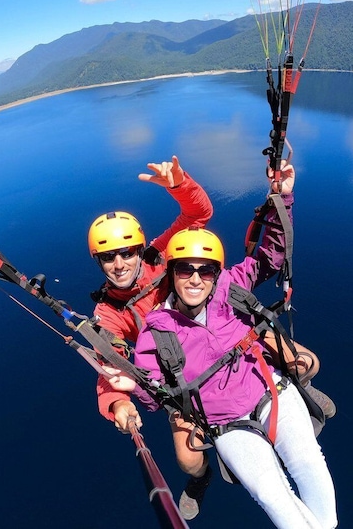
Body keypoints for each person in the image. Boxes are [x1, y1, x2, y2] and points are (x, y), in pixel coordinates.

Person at [111, 223, 338, 528]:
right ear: (172, 273)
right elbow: (154, 397)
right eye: (185, 270)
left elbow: (270, 257)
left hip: (272, 392)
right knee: (271, 493)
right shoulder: (157, 331)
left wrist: (280, 197)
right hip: (225, 424)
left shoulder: (229, 289)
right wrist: (133, 387)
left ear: (216, 274)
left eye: (205, 271)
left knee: (308, 462)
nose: (195, 279)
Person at [87, 155, 215, 516]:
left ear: (140, 249)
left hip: (213, 343)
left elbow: (196, 218)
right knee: (189, 461)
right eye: (109, 256)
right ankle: (202, 479)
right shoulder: (109, 313)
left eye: (127, 252)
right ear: (98, 262)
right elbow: (108, 365)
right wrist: (119, 405)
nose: (120, 263)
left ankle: (302, 388)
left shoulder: (161, 258)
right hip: (178, 378)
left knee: (294, 357)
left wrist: (179, 184)